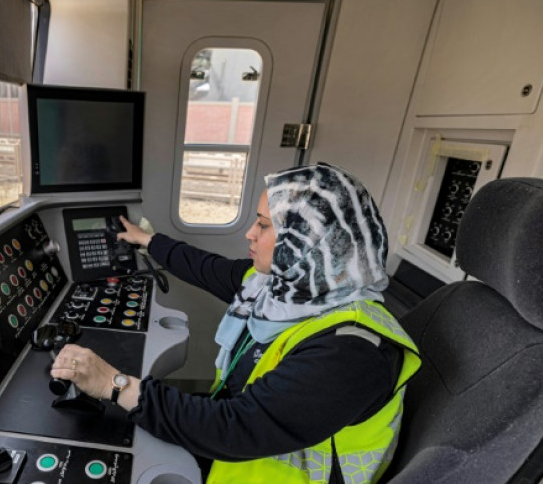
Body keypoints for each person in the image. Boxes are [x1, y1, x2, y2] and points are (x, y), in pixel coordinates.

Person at [50, 163, 421, 484]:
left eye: (263, 225)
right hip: (242, 445)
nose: (250, 233)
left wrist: (113, 384)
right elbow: (209, 269)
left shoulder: (351, 353)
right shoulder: (283, 288)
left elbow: (235, 427)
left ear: (308, 241)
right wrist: (148, 241)